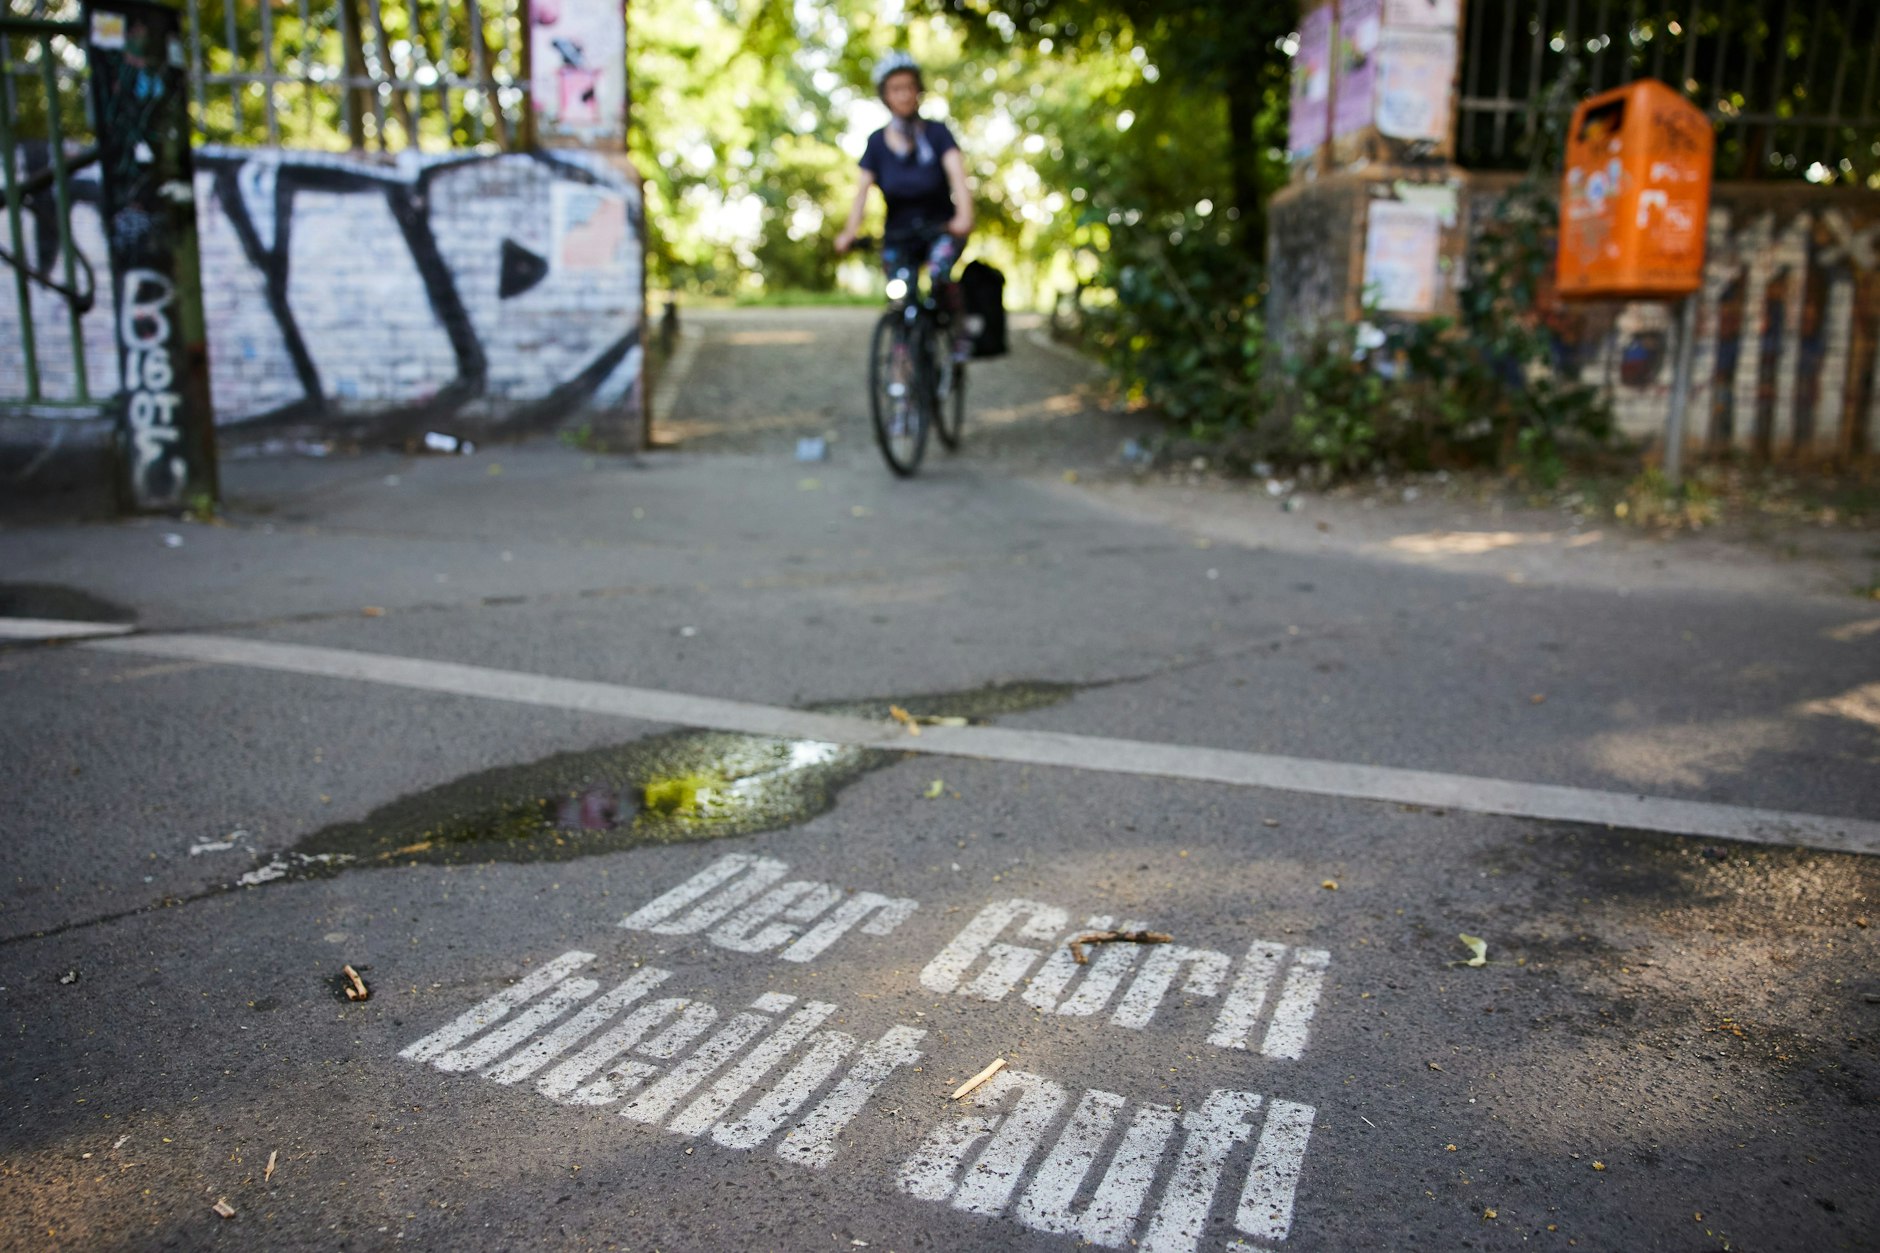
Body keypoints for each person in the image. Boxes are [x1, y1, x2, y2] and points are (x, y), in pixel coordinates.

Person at [834, 52, 975, 359]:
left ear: (918, 91)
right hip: (899, 234)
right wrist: (849, 232)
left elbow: (958, 177)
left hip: (941, 228)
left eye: (909, 87)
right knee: (899, 300)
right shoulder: (876, 143)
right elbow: (861, 193)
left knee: (939, 274)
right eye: (896, 88)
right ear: (885, 96)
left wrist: (964, 217)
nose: (904, 94)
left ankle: (957, 329)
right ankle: (903, 385)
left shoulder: (937, 134)